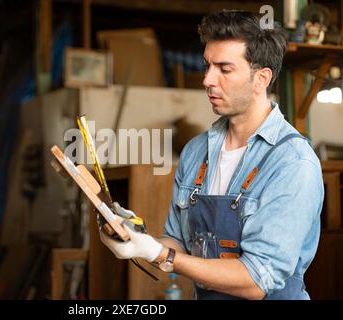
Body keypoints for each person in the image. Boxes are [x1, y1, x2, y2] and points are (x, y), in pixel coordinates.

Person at [99, 10, 324, 300]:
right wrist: (138, 238)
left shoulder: (293, 163)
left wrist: (160, 254)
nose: (207, 79)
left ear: (261, 78)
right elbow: (178, 242)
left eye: (224, 69)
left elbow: (257, 280)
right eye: (207, 66)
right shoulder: (196, 152)